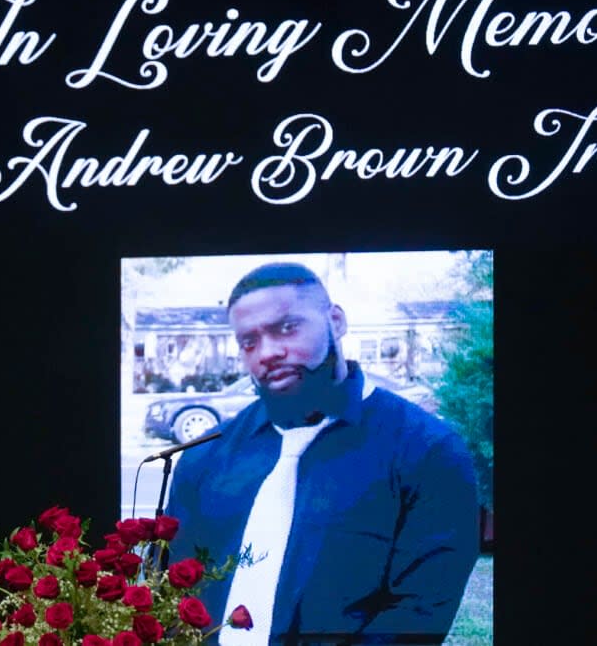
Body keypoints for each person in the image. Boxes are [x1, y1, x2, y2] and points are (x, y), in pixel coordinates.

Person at [166, 263, 479, 645]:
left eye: (287, 328)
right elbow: (174, 593)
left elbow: (417, 615)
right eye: (249, 341)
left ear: (336, 321)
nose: (268, 352)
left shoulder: (428, 453)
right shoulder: (205, 456)